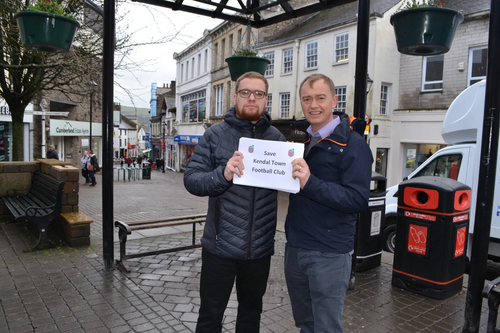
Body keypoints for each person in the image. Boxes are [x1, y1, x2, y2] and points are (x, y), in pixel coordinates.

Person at [184, 71, 285, 333]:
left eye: (259, 93)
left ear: (266, 100)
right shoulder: (215, 134)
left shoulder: (277, 140)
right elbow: (192, 180)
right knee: (210, 317)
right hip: (220, 247)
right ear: (235, 96)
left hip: (259, 249)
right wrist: (224, 174)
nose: (252, 98)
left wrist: (298, 175)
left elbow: (289, 185)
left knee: (251, 316)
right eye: (245, 92)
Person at [284, 74, 373, 333]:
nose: (314, 105)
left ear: (334, 100)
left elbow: (357, 199)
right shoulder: (301, 141)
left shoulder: (354, 146)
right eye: (307, 99)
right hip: (296, 247)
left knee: (325, 328)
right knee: (305, 324)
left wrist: (310, 182)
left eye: (320, 98)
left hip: (329, 252)